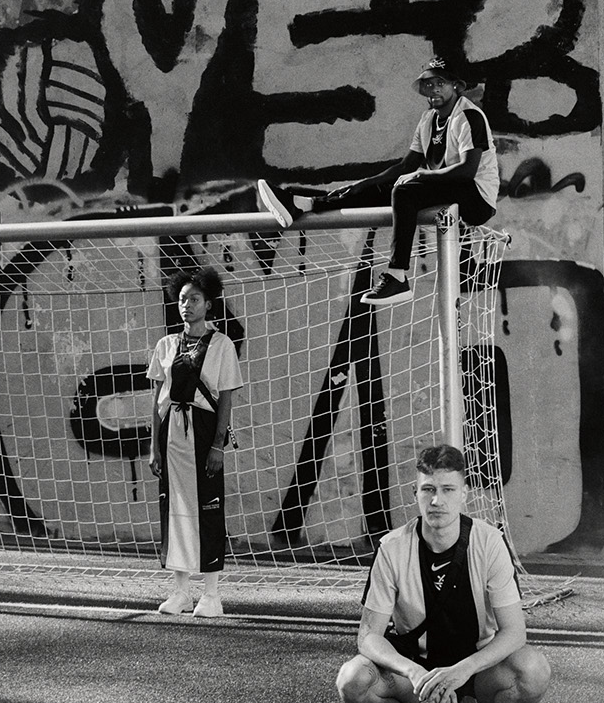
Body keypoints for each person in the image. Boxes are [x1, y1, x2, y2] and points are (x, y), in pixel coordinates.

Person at [335, 443, 551, 703]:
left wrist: (462, 670)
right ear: (415, 494)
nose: (437, 500)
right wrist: (413, 672)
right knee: (353, 680)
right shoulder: (392, 548)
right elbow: (368, 637)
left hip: (476, 668)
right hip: (415, 670)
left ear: (464, 493)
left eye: (448, 489)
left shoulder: (489, 542)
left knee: (533, 670)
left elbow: (514, 632)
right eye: (428, 490)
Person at [256, 59, 501, 307]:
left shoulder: (468, 116)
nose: (434, 89)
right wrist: (366, 183)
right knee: (380, 189)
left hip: (477, 198)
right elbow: (406, 166)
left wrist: (422, 175)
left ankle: (397, 276)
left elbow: (467, 171)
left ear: (455, 86)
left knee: (405, 192)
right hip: (446, 189)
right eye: (429, 84)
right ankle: (303, 204)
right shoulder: (428, 120)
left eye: (441, 83)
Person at [145, 267, 244, 618]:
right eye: (183, 299)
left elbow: (226, 398)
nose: (187, 305)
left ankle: (212, 594)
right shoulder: (166, 345)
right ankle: (181, 592)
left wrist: (218, 445)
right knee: (174, 511)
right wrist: (154, 447)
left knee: (209, 510)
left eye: (195, 299)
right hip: (172, 433)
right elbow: (158, 400)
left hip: (203, 432)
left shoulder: (222, 345)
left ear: (209, 304)